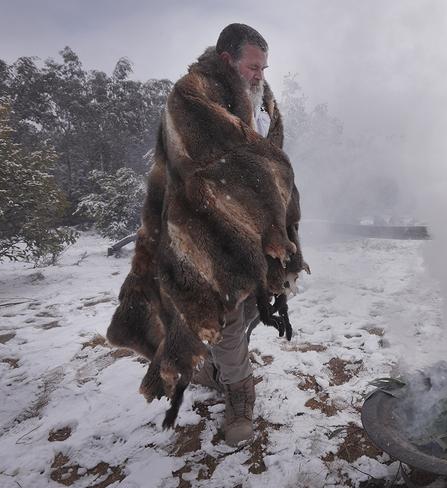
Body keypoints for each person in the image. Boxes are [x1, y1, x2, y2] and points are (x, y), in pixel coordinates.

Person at [107, 23, 308, 446]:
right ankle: (239, 393)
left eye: (265, 67)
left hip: (256, 232)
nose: (260, 75)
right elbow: (209, 164)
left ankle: (215, 368)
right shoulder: (190, 95)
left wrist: (275, 214)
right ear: (226, 60)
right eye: (253, 66)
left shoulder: (264, 101)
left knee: (253, 306)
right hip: (202, 231)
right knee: (227, 315)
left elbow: (271, 167)